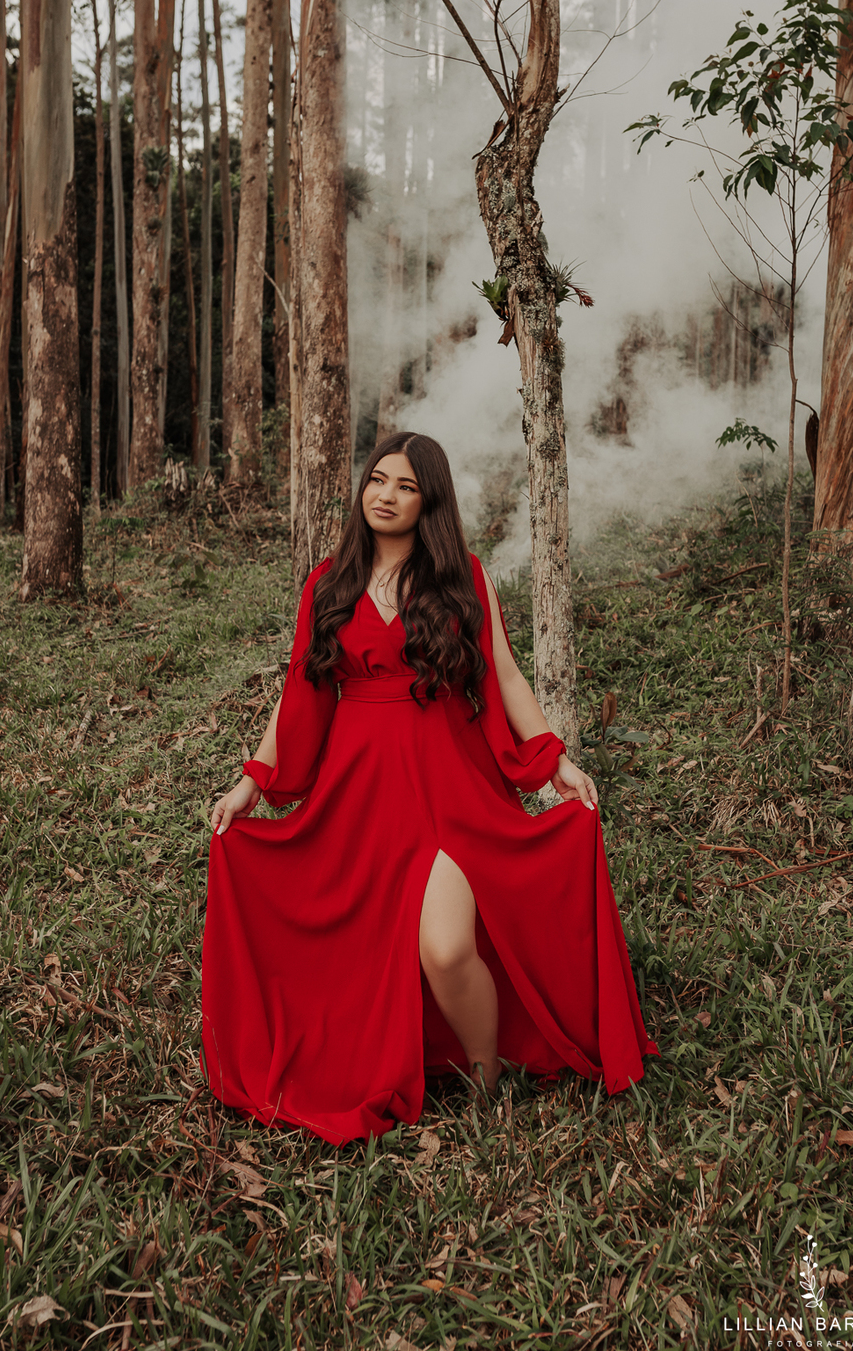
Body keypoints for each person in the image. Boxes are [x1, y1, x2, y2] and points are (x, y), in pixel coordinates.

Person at [199, 431, 657, 1145]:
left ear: (429, 500)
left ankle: (484, 1078)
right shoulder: (329, 583)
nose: (384, 495)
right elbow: (300, 696)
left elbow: (503, 674)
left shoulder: (463, 578)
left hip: (447, 786)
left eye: (405, 486)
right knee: (360, 937)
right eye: (377, 480)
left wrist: (551, 759)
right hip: (358, 793)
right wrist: (253, 781)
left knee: (445, 946)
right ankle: (395, 1052)